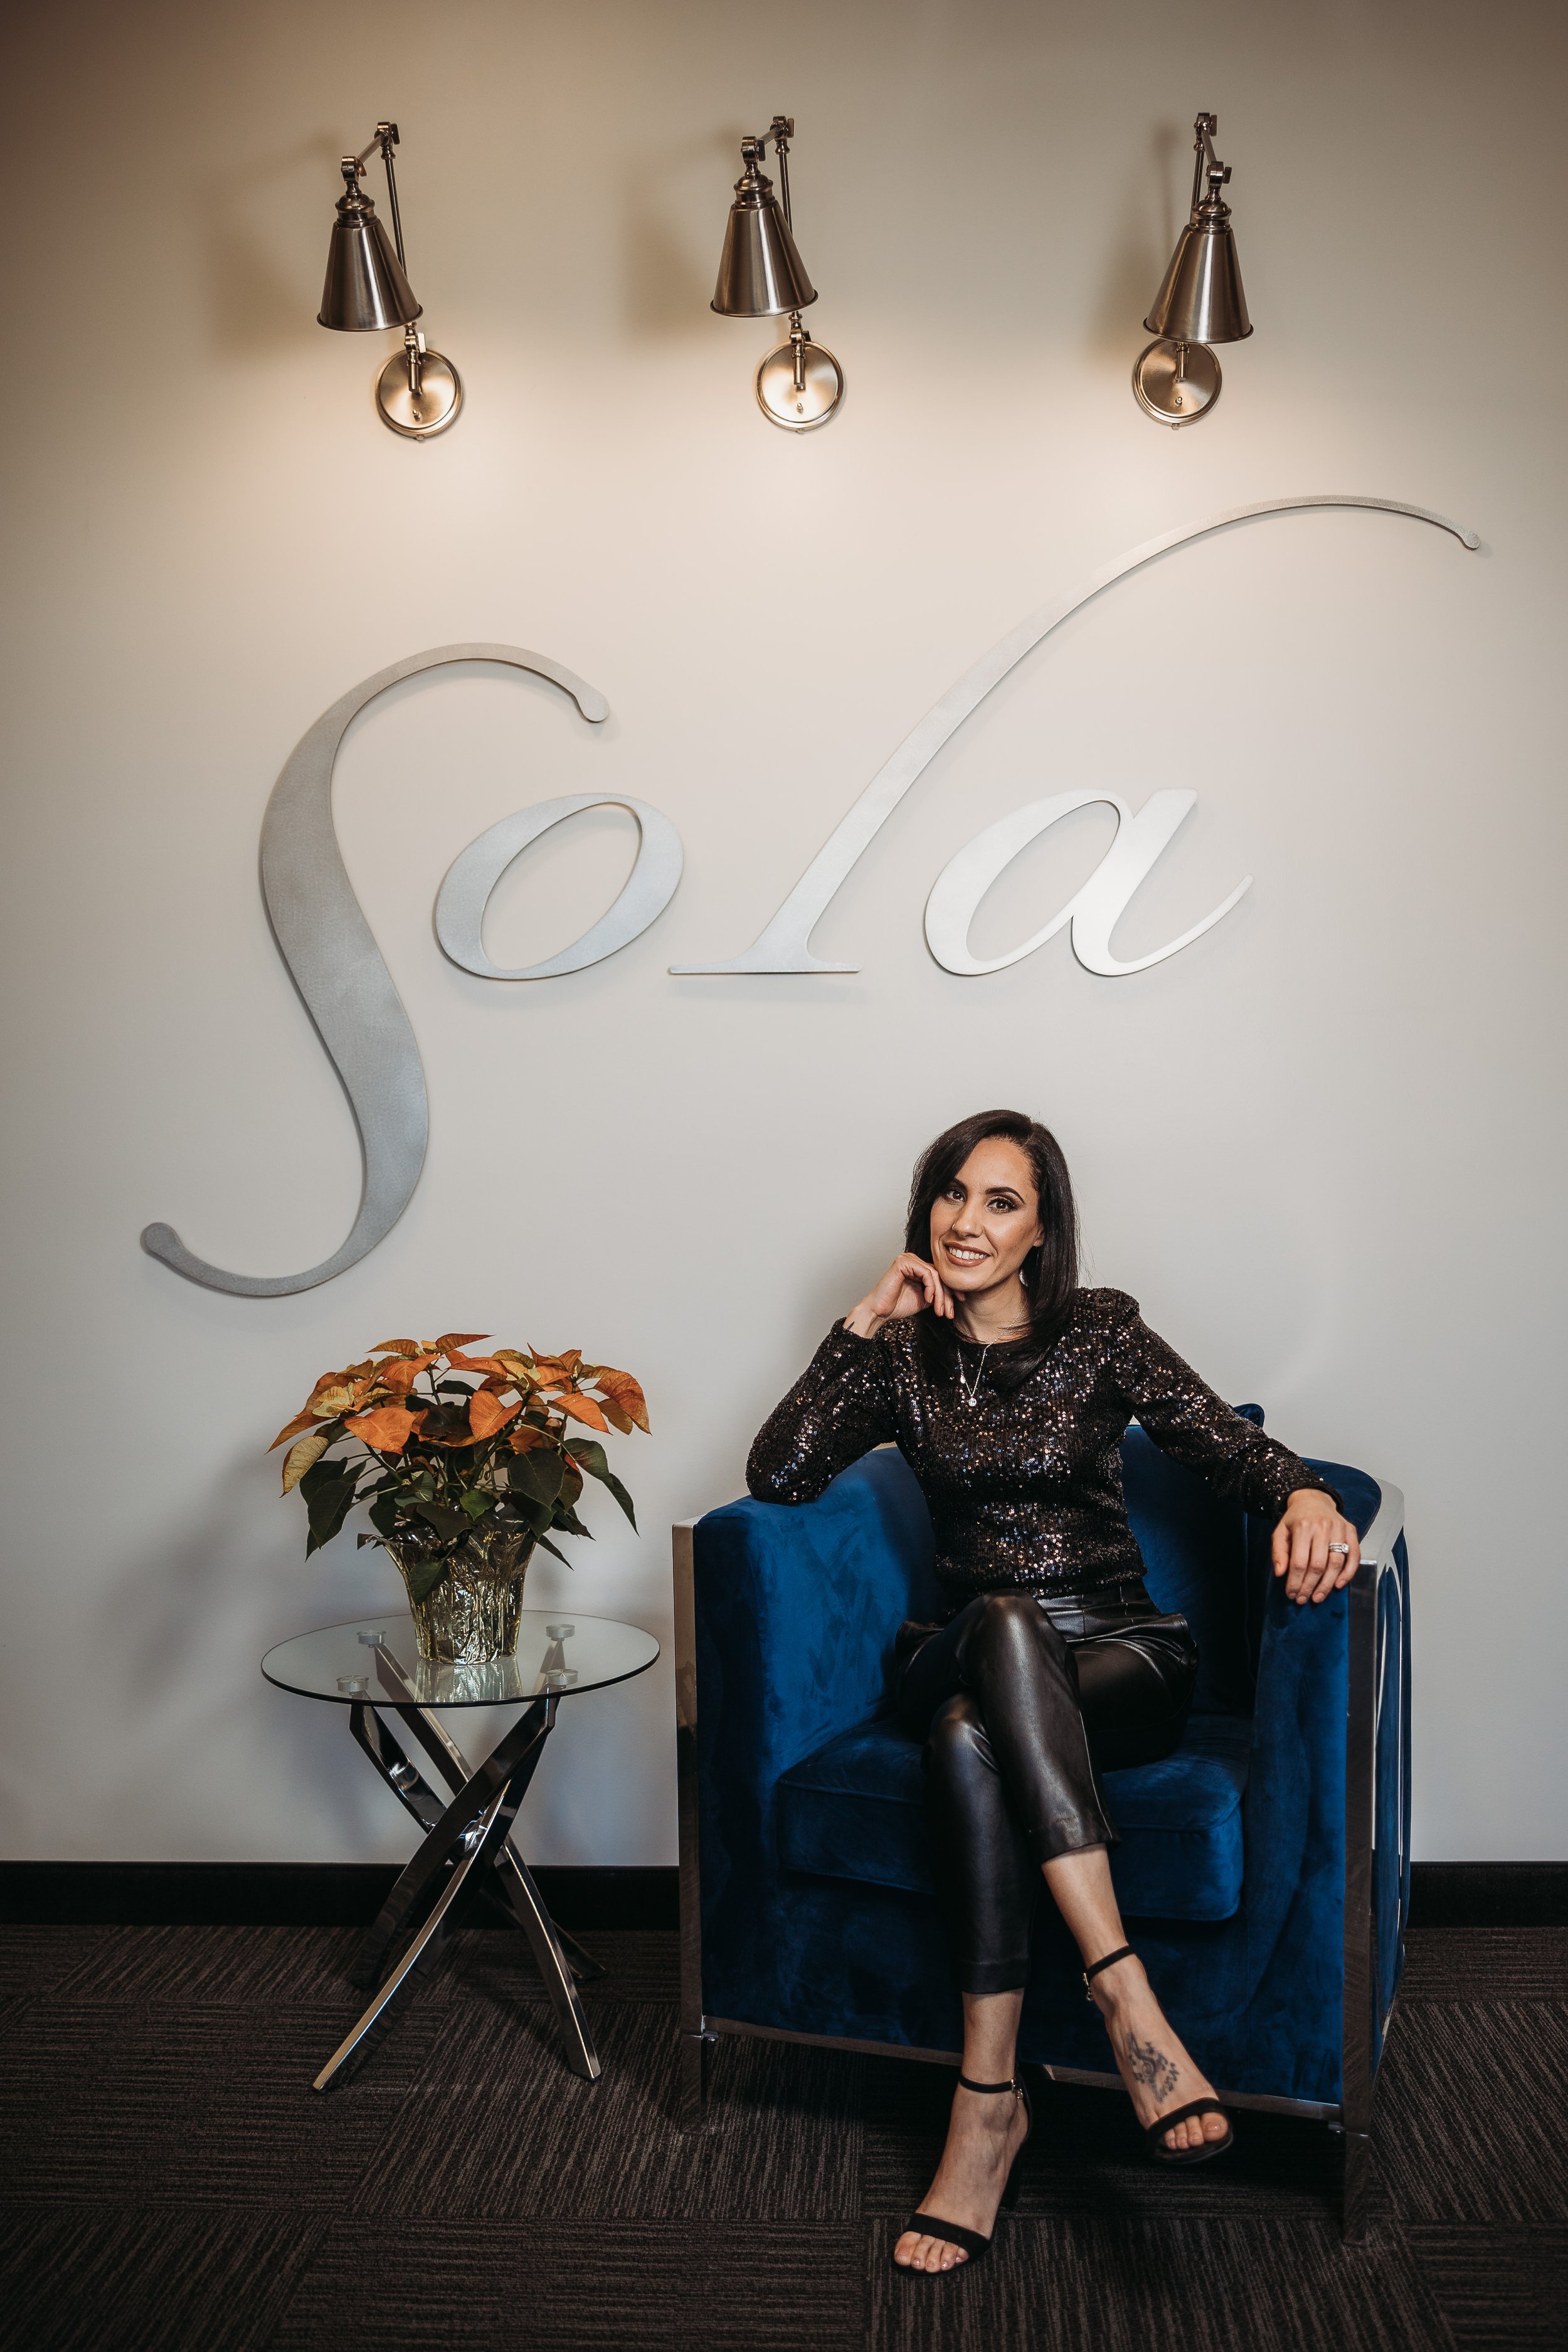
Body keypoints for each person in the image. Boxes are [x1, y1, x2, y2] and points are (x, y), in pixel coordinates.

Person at [746, 1109, 1360, 2277]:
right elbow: (778, 1472)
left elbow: (1219, 1440)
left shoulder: (1099, 1331)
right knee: (1003, 1625)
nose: (967, 1221)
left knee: (974, 1740)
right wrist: (865, 1321)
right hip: (968, 1636)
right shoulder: (903, 1360)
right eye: (952, 1194)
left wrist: (1304, 1494)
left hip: (1121, 1654)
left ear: (1042, 1231)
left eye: (1000, 1202)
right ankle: (1127, 1996)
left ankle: (986, 2108)